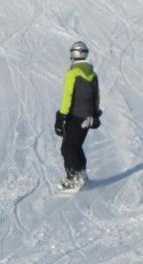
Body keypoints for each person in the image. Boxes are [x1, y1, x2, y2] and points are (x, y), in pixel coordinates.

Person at [54, 41, 101, 191]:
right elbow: (96, 97)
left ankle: (73, 178)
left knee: (67, 148)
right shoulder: (93, 75)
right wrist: (94, 115)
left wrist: (61, 116)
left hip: (75, 116)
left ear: (73, 56)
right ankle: (81, 174)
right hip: (87, 117)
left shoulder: (72, 73)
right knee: (75, 146)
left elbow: (67, 96)